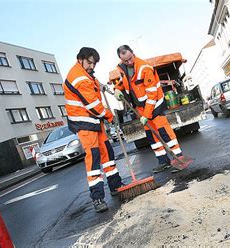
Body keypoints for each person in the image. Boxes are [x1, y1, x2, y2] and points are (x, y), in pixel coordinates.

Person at [63, 47, 123, 213]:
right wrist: (110, 116)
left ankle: (116, 186)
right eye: (89, 62)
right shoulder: (79, 78)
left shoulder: (86, 73)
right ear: (80, 59)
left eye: (94, 63)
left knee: (107, 154)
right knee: (94, 158)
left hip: (94, 122)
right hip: (84, 123)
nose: (92, 66)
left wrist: (101, 86)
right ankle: (97, 198)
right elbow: (93, 105)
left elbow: (93, 84)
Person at [112, 45, 184, 173]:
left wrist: (146, 114)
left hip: (155, 105)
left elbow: (152, 95)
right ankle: (163, 161)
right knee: (152, 137)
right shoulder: (122, 68)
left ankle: (179, 159)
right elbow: (125, 82)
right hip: (140, 108)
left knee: (164, 133)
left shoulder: (144, 68)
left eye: (130, 58)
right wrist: (117, 89)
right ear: (121, 59)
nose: (129, 62)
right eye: (125, 60)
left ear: (133, 53)